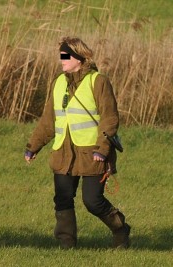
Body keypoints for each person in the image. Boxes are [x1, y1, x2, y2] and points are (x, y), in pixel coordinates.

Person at [24, 37, 131, 249]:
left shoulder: (98, 81)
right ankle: (67, 245)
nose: (61, 60)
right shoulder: (58, 82)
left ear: (80, 58)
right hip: (63, 153)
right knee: (63, 199)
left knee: (92, 201)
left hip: (92, 154)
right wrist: (33, 146)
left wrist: (102, 150)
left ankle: (120, 228)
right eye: (60, 56)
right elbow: (48, 120)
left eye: (66, 56)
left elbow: (109, 118)